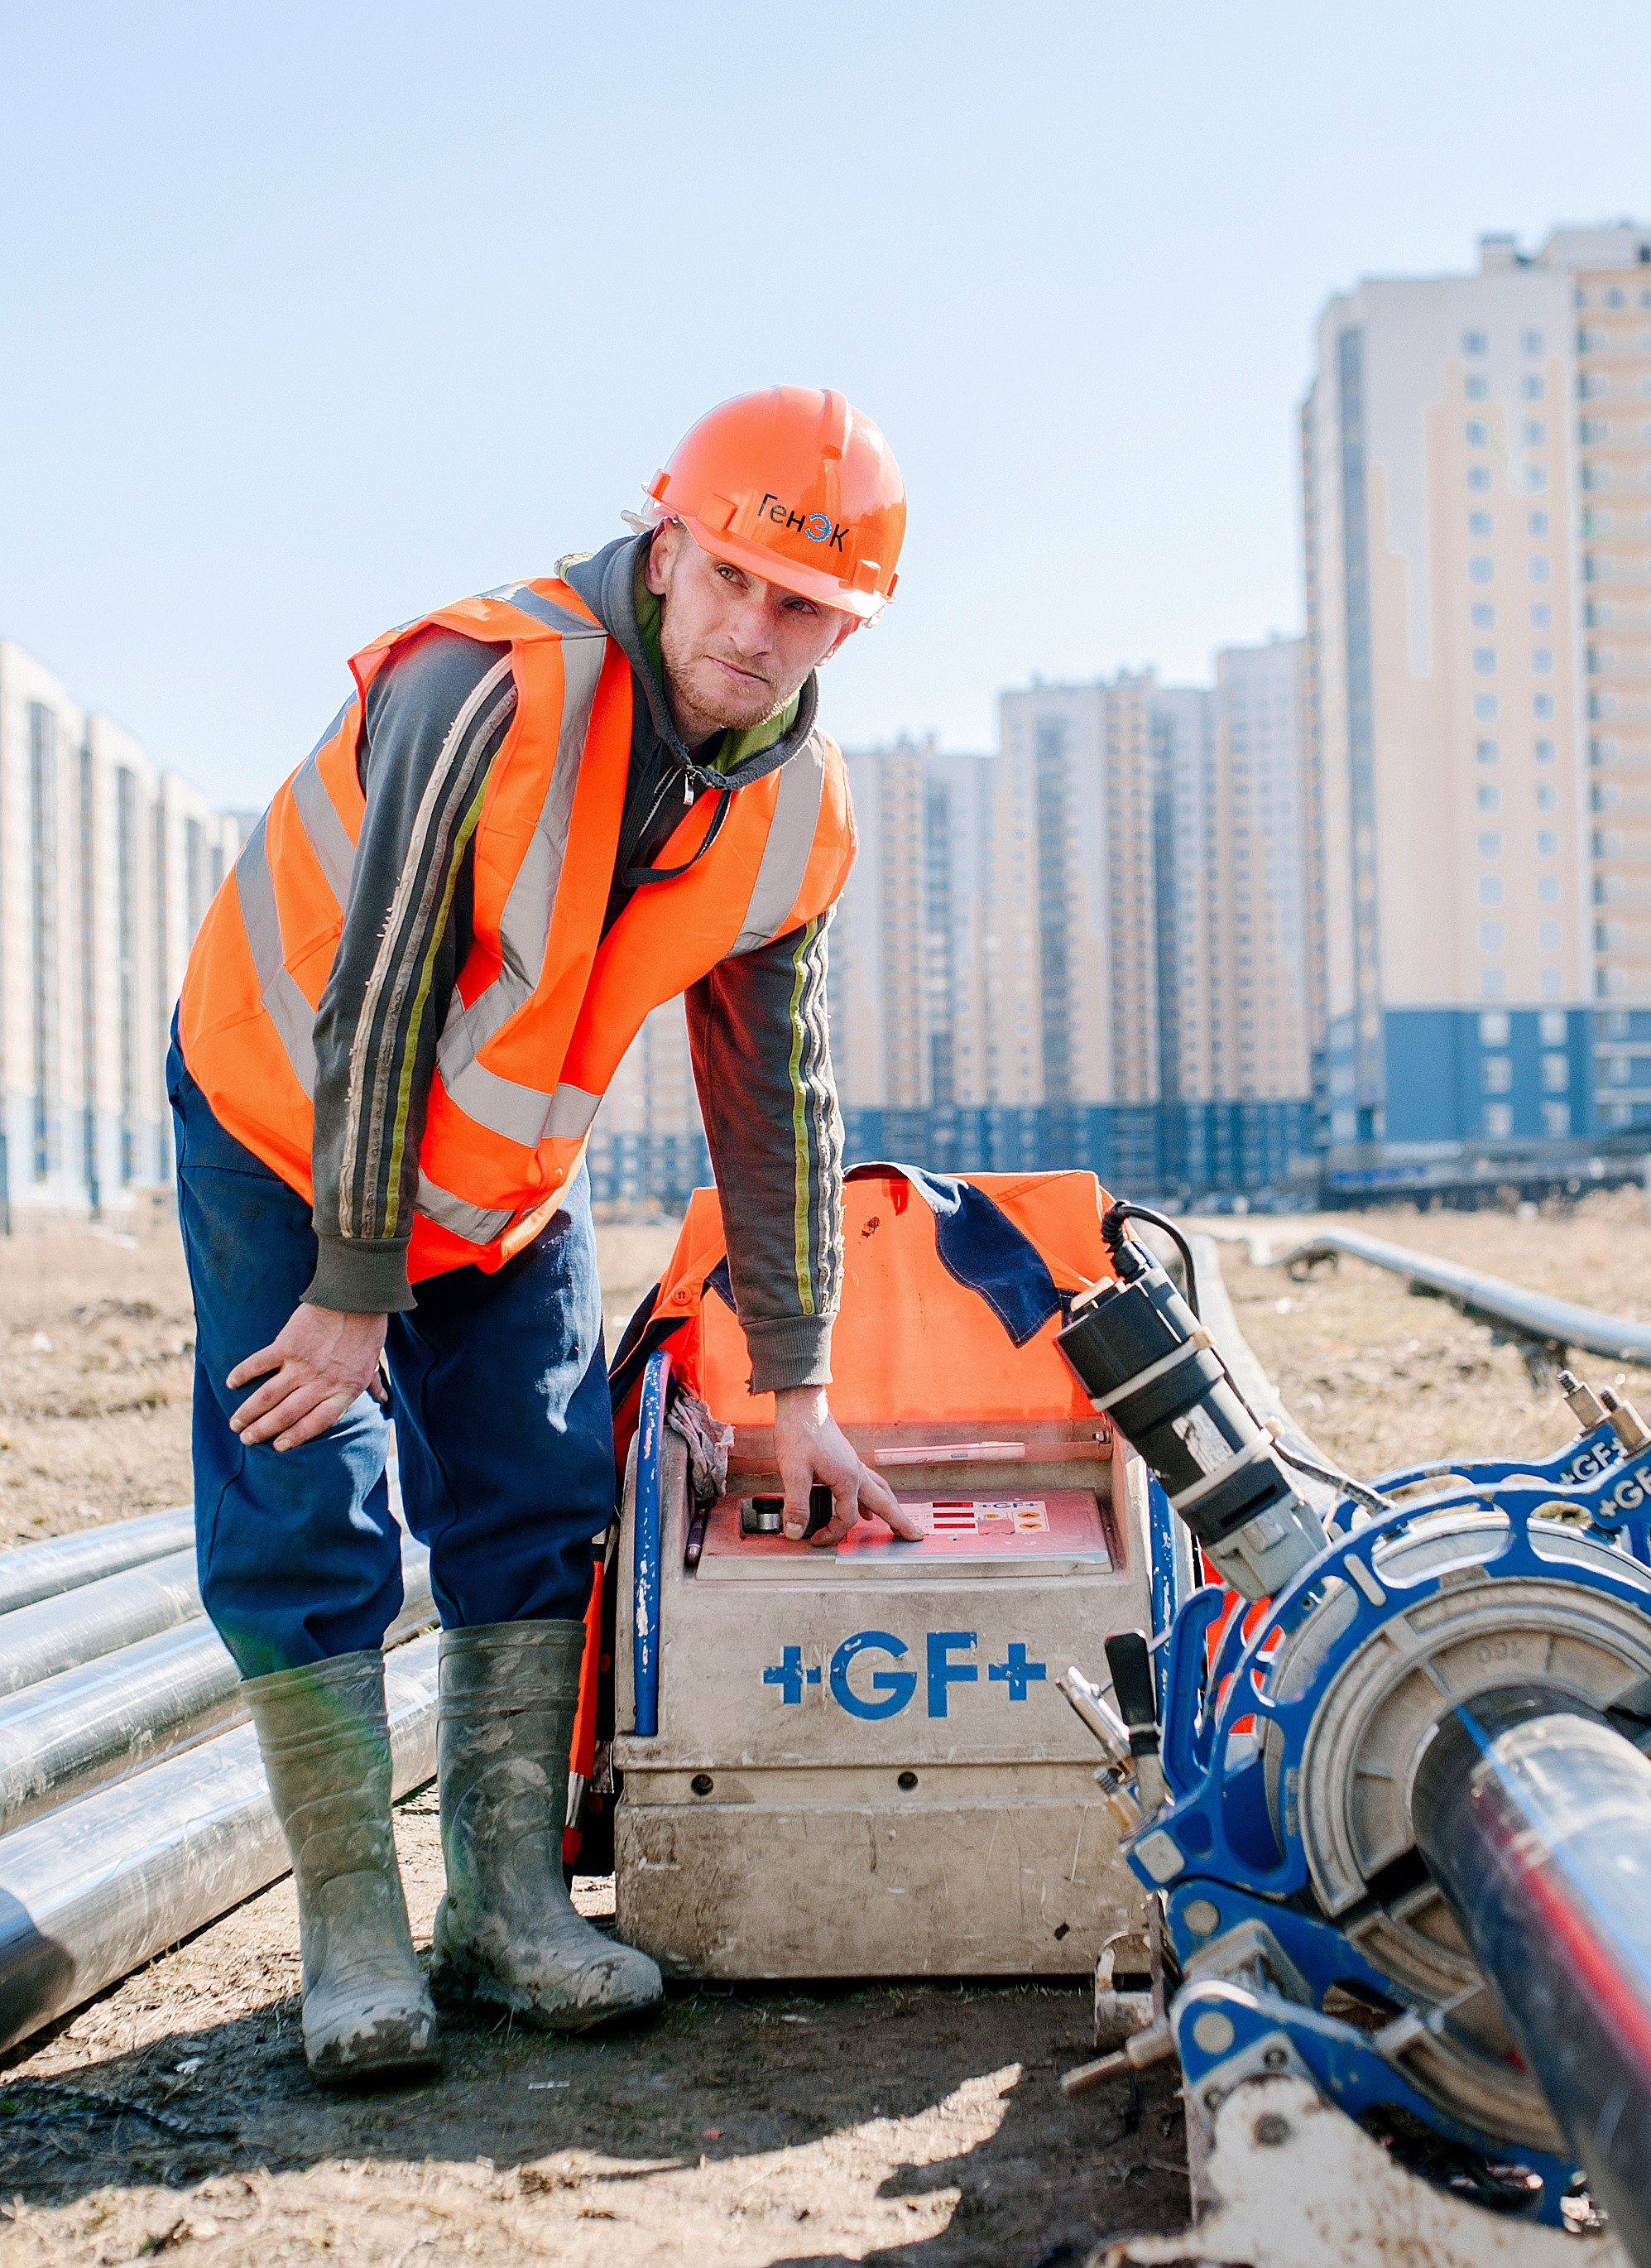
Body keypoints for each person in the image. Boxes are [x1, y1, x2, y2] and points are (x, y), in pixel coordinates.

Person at [170, 387, 923, 2087]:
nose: (754, 628)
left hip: (502, 1169)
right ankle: (353, 1930)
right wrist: (351, 1293)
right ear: (665, 551)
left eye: (803, 606)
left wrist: (797, 1383)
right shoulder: (485, 685)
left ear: (850, 630)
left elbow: (773, 1093)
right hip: (288, 1117)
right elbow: (378, 1000)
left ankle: (503, 1909)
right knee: (307, 1494)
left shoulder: (798, 809)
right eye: (729, 576)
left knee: (538, 1488)